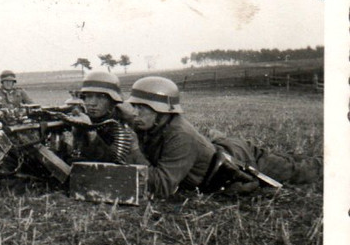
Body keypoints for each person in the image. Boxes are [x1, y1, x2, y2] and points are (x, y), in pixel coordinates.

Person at [125, 76, 322, 198]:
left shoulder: (180, 136)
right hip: (221, 149)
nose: (135, 113)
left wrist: (133, 150)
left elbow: (161, 187)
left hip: (238, 159)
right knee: (288, 159)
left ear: (163, 112)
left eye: (143, 108)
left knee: (298, 170)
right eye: (134, 106)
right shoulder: (149, 123)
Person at [70, 71, 146, 165]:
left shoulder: (124, 123)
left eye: (100, 97)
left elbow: (114, 163)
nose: (93, 103)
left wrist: (91, 132)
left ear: (112, 101)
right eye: (89, 96)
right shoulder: (85, 117)